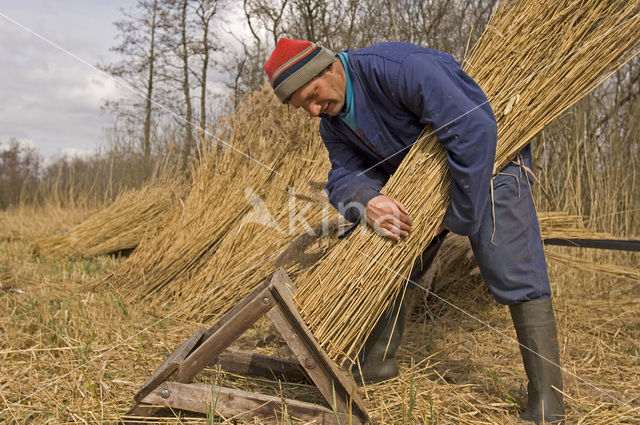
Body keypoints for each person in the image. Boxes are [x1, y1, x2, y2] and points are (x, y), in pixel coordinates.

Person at [263, 38, 565, 425]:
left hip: (490, 162)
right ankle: (376, 363)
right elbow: (343, 176)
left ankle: (548, 399)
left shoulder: (400, 68)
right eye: (302, 106)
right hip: (421, 186)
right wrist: (368, 201)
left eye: (313, 95)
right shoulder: (333, 124)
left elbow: (472, 127)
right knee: (382, 246)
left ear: (328, 68)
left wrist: (454, 216)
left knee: (506, 259)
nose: (313, 110)